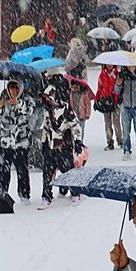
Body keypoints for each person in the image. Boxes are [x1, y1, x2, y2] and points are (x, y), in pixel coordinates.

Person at [0, 79, 37, 205]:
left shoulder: (27, 99)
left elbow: (30, 110)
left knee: (22, 170)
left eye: (17, 88)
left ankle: (24, 194)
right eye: (11, 88)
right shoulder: (2, 98)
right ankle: (1, 194)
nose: (14, 91)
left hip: (21, 142)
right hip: (5, 142)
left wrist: (18, 104)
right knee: (3, 171)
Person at [39, 76, 81, 208]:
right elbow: (45, 128)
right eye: (45, 98)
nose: (47, 100)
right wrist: (43, 143)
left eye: (48, 97)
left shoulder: (66, 110)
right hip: (51, 148)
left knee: (68, 172)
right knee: (47, 173)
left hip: (64, 147)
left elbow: (75, 126)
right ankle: (46, 196)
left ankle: (75, 193)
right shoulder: (47, 112)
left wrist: (78, 141)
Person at [96, 63, 123, 151]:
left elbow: (120, 87)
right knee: (107, 123)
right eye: (107, 64)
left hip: (115, 101)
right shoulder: (102, 74)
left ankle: (120, 141)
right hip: (105, 101)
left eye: (111, 64)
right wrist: (97, 99)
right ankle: (110, 141)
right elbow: (99, 88)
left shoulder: (117, 74)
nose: (109, 66)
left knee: (116, 122)